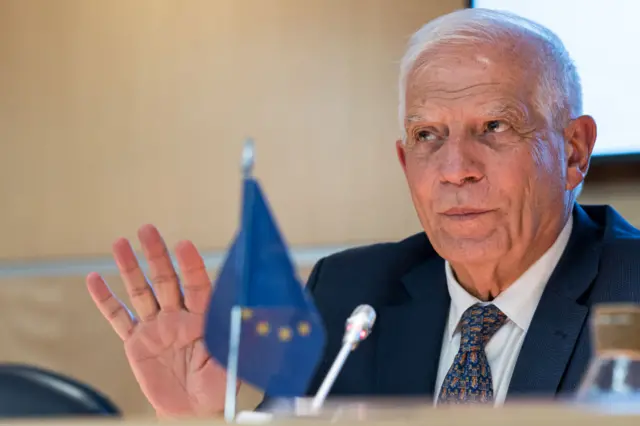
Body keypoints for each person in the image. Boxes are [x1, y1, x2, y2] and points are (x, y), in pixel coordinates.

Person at [87, 7, 640, 417]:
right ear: (405, 163)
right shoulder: (348, 292)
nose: (455, 169)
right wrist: (206, 419)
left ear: (573, 152)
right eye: (428, 136)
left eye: (494, 127)